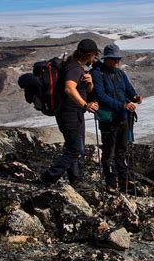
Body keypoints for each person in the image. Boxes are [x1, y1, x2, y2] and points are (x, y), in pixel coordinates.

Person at [40, 39, 100, 190]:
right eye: (95, 55)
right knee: (76, 148)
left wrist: (89, 83)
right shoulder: (74, 68)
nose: (95, 59)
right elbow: (69, 88)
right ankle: (49, 176)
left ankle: (75, 179)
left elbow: (82, 90)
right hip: (69, 114)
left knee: (72, 146)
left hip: (74, 113)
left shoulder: (76, 66)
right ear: (89, 54)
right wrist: (85, 105)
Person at [91, 44, 142, 192]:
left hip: (123, 118)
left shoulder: (120, 74)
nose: (117, 61)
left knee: (121, 150)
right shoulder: (97, 73)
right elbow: (100, 96)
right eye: (114, 59)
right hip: (109, 119)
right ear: (106, 59)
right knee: (109, 152)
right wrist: (122, 106)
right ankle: (111, 183)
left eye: (118, 59)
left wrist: (135, 97)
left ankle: (123, 180)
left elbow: (129, 91)